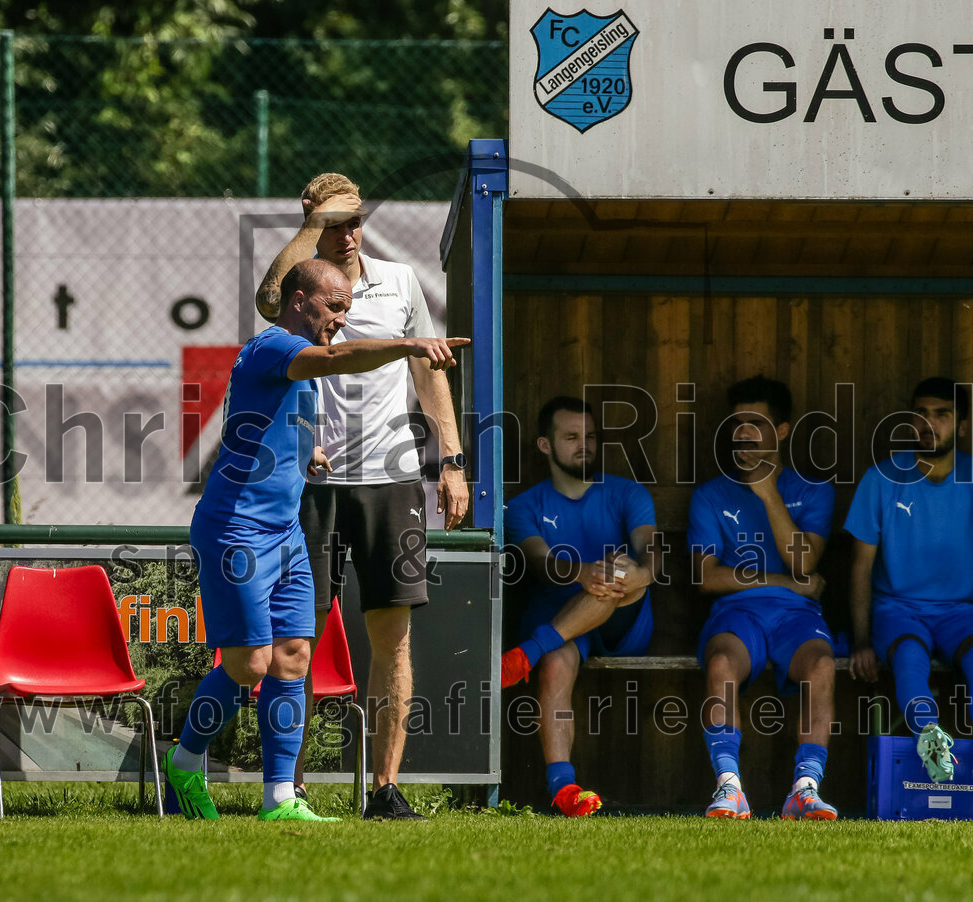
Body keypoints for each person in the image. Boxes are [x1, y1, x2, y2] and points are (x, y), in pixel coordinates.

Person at [163, 258, 467, 821]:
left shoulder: (297, 371)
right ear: (300, 300)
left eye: (350, 310)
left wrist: (309, 453)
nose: (343, 322)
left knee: (293, 656)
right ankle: (184, 763)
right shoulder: (274, 345)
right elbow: (332, 358)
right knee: (249, 663)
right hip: (238, 529)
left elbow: (266, 423)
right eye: (335, 308)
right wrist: (407, 345)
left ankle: (280, 799)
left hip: (285, 533)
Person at [254, 172, 469, 820]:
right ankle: (285, 789)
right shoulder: (301, 285)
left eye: (356, 219)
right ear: (316, 222)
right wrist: (311, 226)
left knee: (392, 638)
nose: (349, 232)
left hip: (391, 479)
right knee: (299, 638)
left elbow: (428, 371)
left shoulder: (400, 282)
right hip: (312, 485)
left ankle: (385, 788)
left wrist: (452, 460)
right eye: (336, 221)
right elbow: (268, 301)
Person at [689, 375, 838, 820]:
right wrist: (787, 583)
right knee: (720, 663)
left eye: (755, 423)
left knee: (822, 664)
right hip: (738, 614)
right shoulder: (710, 494)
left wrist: (768, 492)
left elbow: (804, 562)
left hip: (796, 616)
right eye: (737, 424)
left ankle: (805, 789)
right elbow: (706, 577)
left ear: (783, 430)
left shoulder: (813, 490)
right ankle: (729, 787)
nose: (742, 434)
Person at [500, 396, 657, 817]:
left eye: (589, 436)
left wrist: (636, 576)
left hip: (624, 619)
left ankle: (525, 655)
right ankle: (564, 789)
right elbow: (541, 561)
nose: (584, 445)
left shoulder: (629, 492)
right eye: (571, 437)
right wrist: (583, 573)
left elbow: (652, 554)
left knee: (621, 572)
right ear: (544, 445)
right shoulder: (523, 506)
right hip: (557, 614)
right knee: (555, 663)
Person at [845, 377, 973, 782]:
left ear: (963, 425)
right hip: (897, 609)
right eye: (920, 413)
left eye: (942, 415)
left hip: (961, 611)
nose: (928, 423)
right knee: (909, 660)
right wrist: (862, 642)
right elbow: (861, 567)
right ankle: (931, 740)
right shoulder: (881, 478)